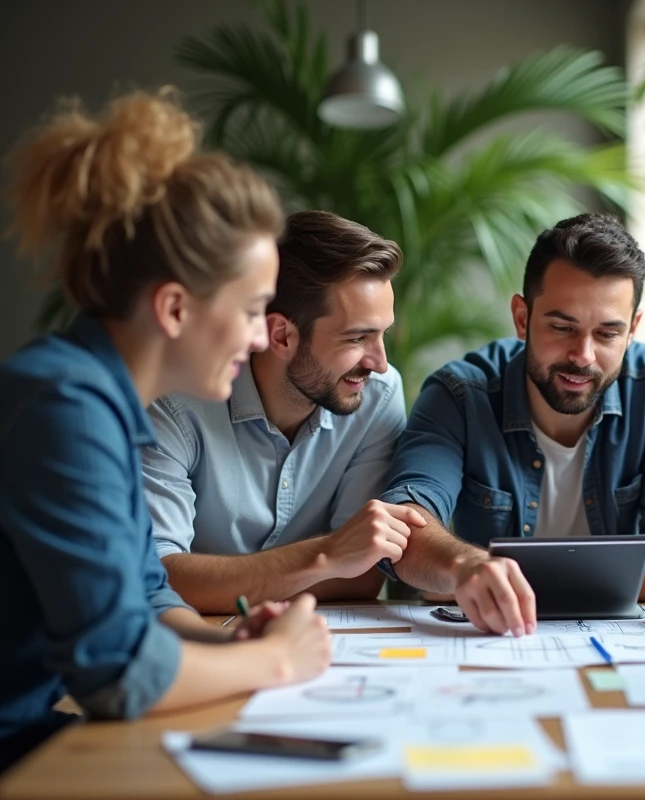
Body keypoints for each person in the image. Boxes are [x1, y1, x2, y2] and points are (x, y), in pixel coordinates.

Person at [0, 91, 330, 771]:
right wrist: (274, 660)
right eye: (249, 310)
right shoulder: (64, 405)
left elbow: (147, 595)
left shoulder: (101, 404)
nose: (259, 337)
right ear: (175, 308)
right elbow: (118, 674)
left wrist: (230, 645)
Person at [382, 213, 645, 635]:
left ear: (632, 329)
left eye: (608, 334)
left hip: (619, 640)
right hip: (485, 638)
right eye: (562, 327)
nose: (583, 355)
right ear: (522, 318)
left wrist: (476, 581)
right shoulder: (459, 394)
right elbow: (405, 526)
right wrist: (466, 567)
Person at [142, 210, 421, 613]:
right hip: (197, 647)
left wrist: (226, 582)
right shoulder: (174, 405)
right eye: (358, 337)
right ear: (281, 335)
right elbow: (159, 577)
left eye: (382, 334)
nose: (379, 362)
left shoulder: (377, 395)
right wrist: (326, 556)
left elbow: (363, 572)